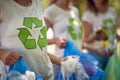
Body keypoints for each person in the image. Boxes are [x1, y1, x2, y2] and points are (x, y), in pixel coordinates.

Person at [0, 0, 65, 80]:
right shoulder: (3, 5)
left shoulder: (38, 5)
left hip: (47, 75)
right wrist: (2, 53)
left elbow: (38, 49)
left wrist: (59, 60)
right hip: (17, 76)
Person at [44, 0, 82, 79]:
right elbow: (38, 40)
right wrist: (55, 40)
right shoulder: (51, 11)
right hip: (61, 62)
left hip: (77, 61)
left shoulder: (75, 11)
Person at [82, 0, 117, 69]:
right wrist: (95, 37)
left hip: (111, 55)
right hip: (96, 55)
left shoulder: (112, 11)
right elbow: (85, 40)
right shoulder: (88, 15)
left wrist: (116, 36)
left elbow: (112, 32)